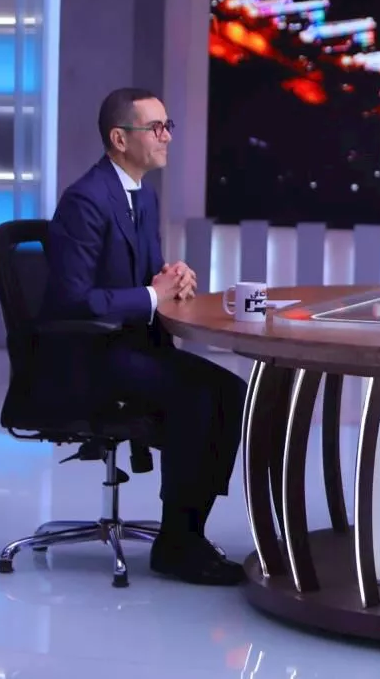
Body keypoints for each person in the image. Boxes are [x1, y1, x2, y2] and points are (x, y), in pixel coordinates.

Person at [38, 87, 246, 586]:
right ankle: (177, 545)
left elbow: (146, 278)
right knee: (196, 397)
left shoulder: (142, 196)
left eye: (167, 125)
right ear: (119, 138)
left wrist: (173, 279)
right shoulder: (85, 200)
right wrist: (154, 295)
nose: (166, 136)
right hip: (89, 354)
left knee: (231, 391)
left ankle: (187, 530)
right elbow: (73, 300)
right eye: (155, 128)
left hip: (132, 345)